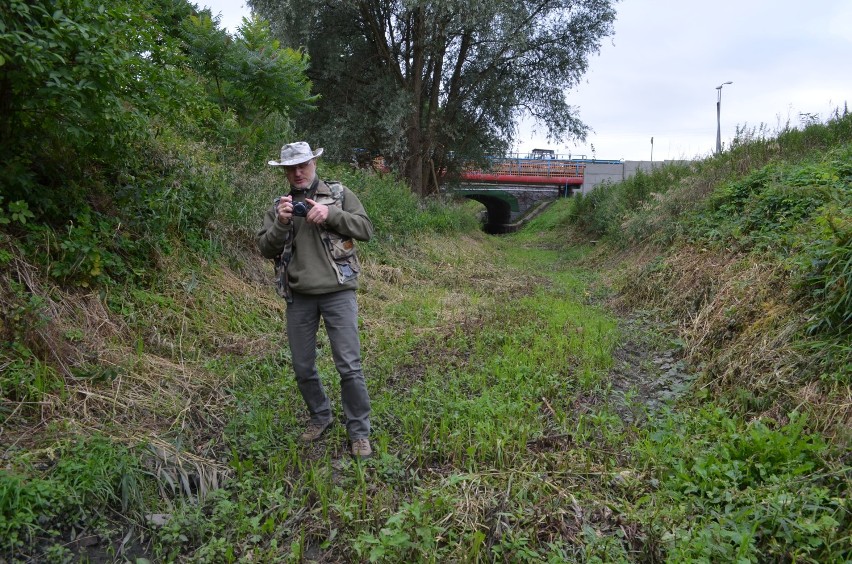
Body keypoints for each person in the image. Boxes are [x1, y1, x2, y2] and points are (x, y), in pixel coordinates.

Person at [256, 141, 374, 458]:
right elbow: (265, 248)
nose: (297, 173)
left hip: (338, 291)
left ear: (314, 164)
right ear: (283, 172)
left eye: (302, 166)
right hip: (299, 296)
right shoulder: (278, 207)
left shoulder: (338, 194)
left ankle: (359, 431)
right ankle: (320, 415)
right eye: (290, 168)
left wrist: (331, 214)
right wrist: (281, 224)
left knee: (349, 367)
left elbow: (365, 228)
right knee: (303, 367)